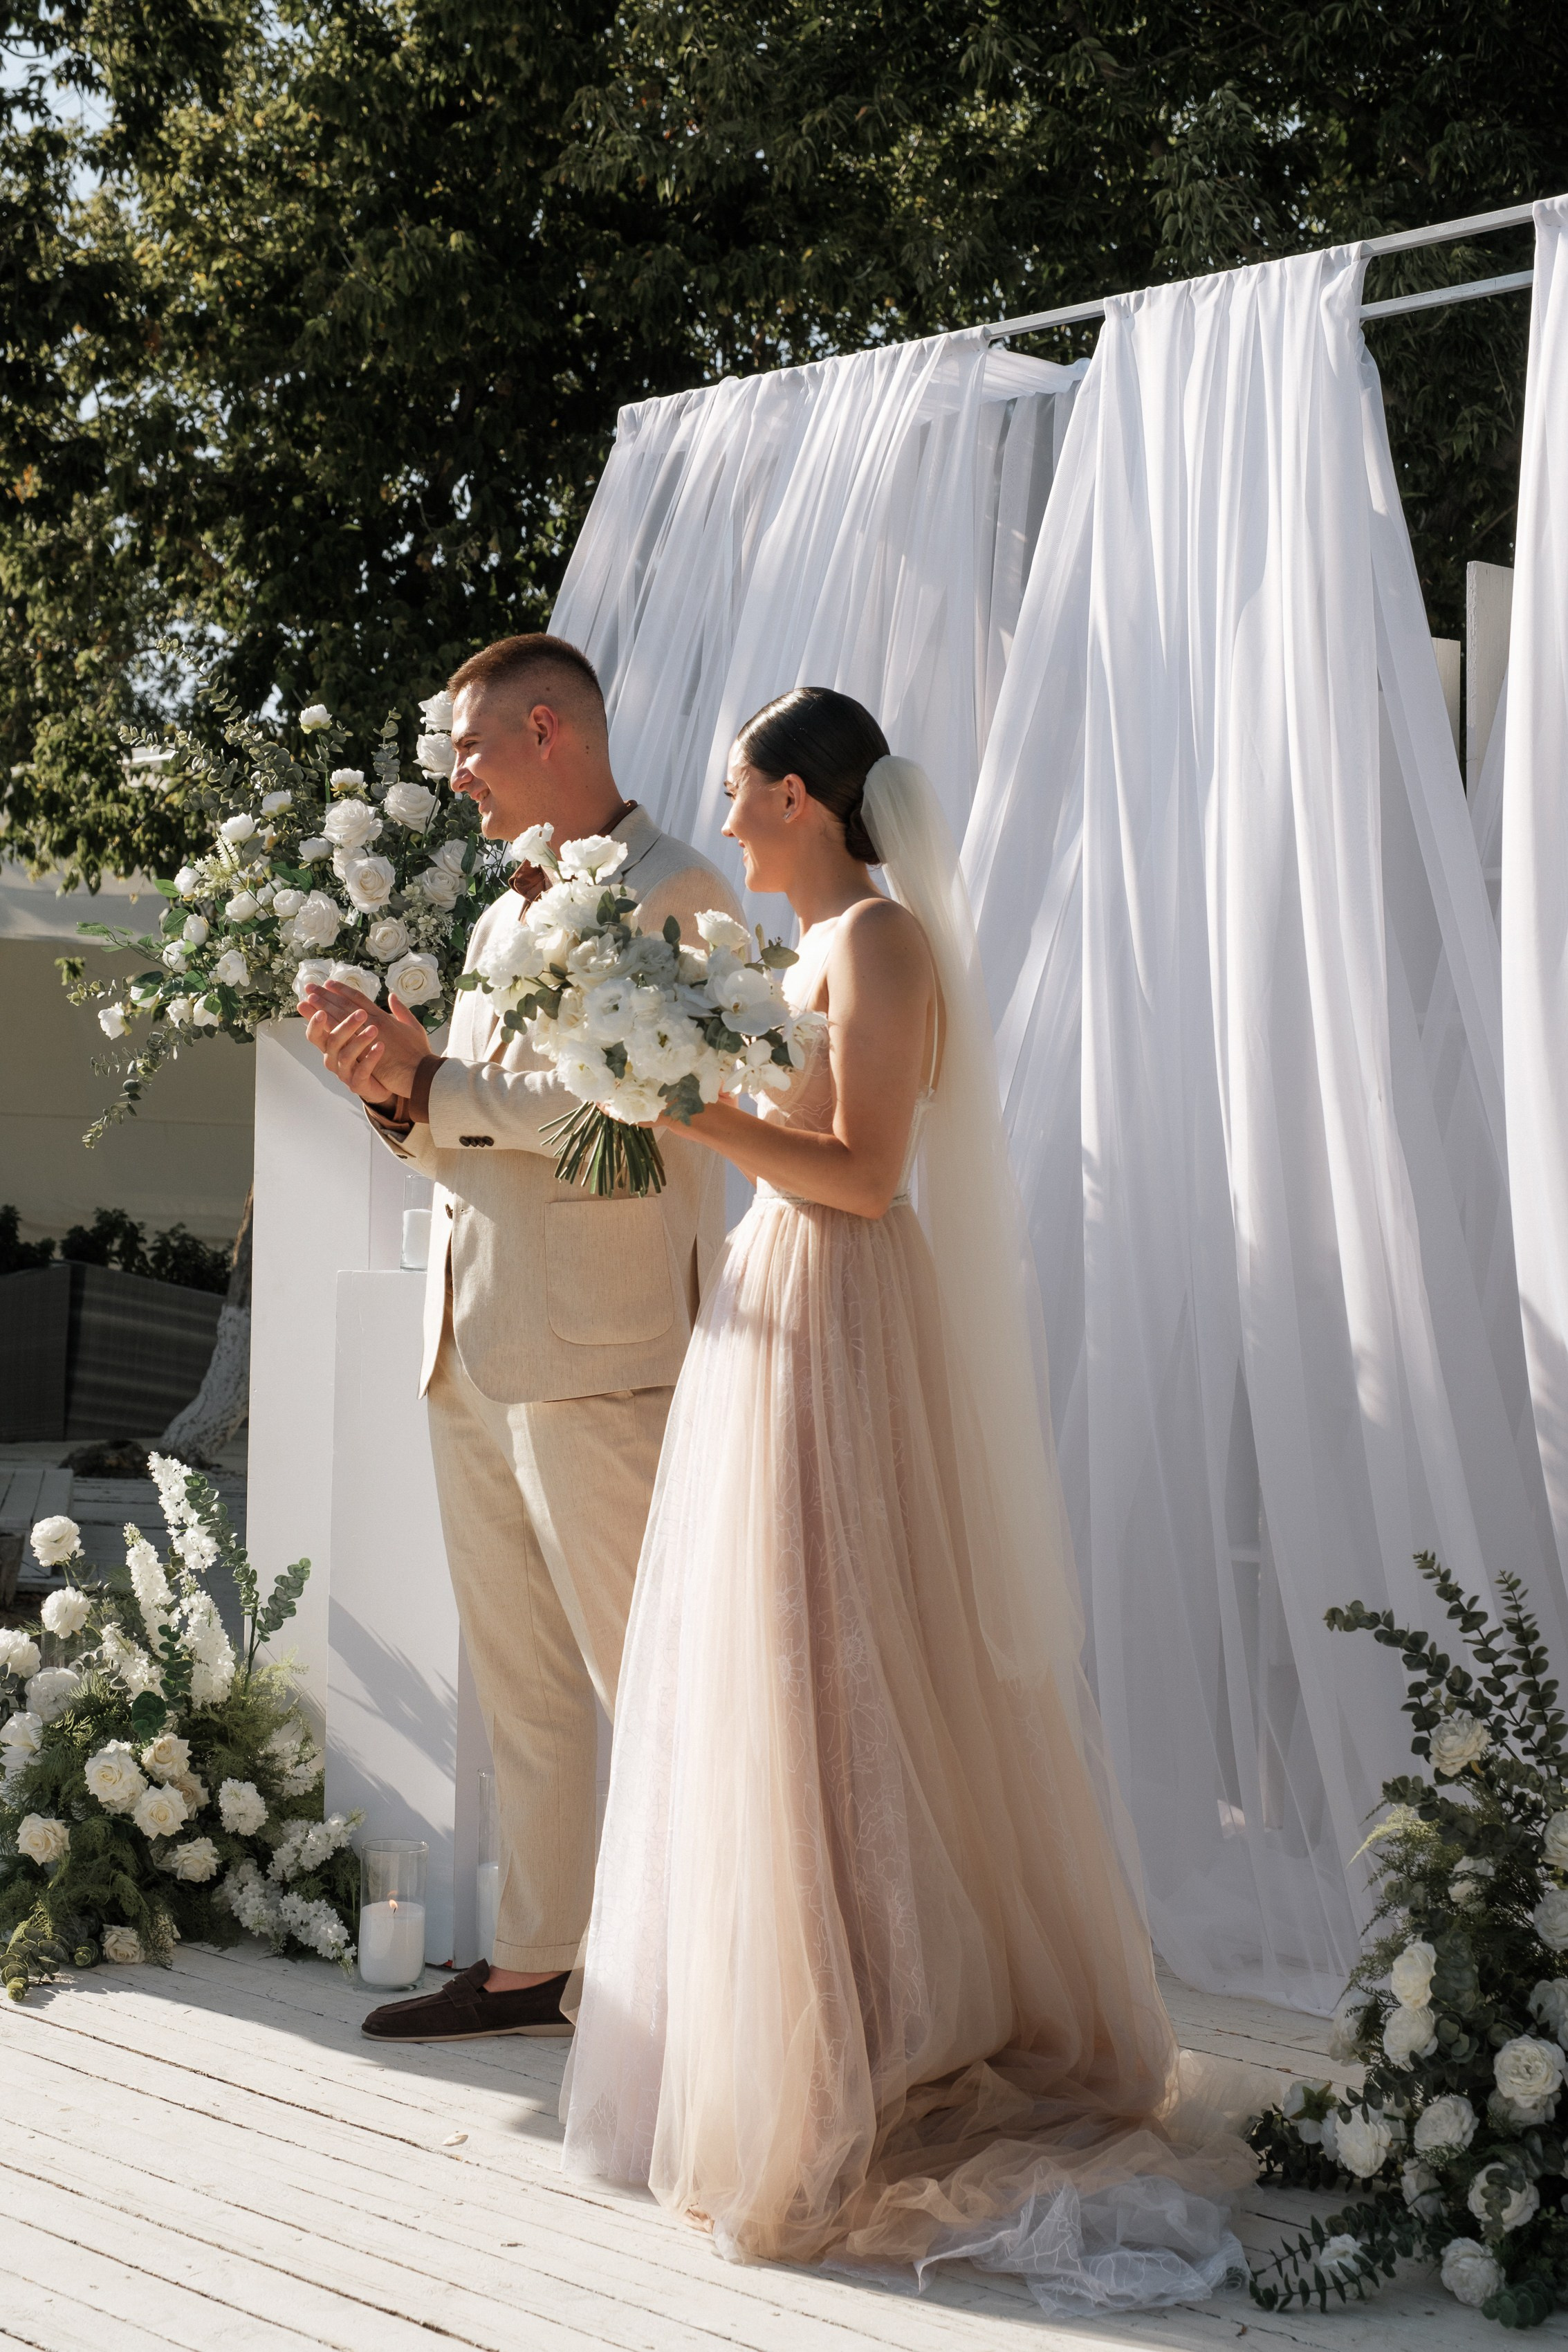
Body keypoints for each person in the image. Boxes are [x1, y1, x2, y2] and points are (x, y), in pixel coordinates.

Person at [562, 686, 1260, 2315]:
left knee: (850, 1647)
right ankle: (827, 2017)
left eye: (739, 782)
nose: (721, 809)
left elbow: (867, 1176)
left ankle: (884, 2033)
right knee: (784, 1661)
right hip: (779, 1299)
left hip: (844, 1306)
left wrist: (685, 1109)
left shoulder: (876, 940)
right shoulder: (798, 944)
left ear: (801, 796)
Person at [301, 632, 744, 2043]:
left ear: (548, 730)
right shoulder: (502, 919)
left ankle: (721, 1982)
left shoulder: (680, 890)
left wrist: (437, 1079)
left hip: (605, 1346)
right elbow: (479, 1129)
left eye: (471, 748)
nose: (458, 779)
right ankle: (538, 1958)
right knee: (525, 1681)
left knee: (652, 1677)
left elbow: (635, 1115)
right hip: (472, 1335)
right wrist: (393, 1091)